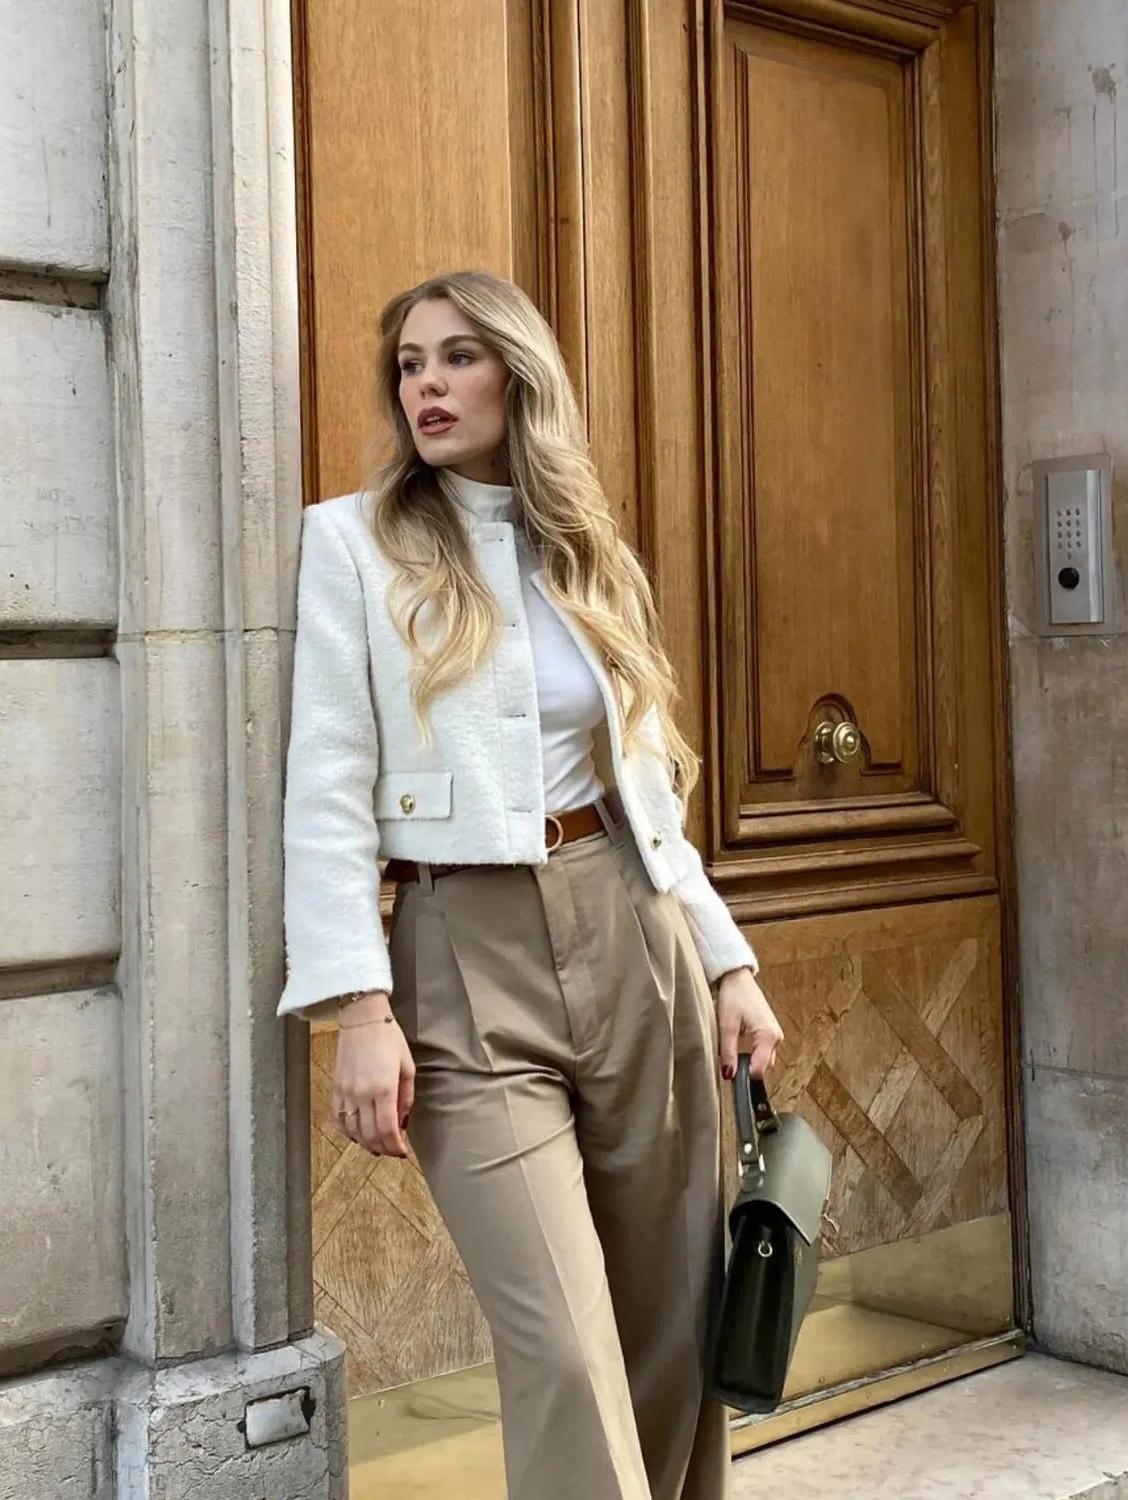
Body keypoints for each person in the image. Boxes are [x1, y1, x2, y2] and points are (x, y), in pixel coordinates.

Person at [279, 269, 784, 1500]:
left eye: (456, 358)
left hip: (635, 930)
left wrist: (727, 960)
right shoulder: (351, 540)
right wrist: (357, 1003)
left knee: (673, 1323)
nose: (427, 387)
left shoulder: (584, 552)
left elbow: (646, 787)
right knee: (560, 1342)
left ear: (518, 374)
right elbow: (328, 783)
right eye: (408, 365)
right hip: (461, 951)